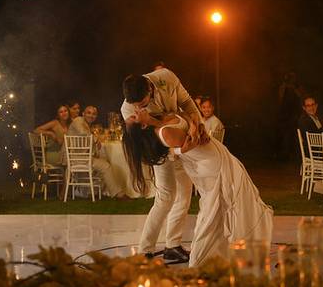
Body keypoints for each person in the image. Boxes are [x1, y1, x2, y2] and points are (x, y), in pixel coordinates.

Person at [123, 112, 273, 267]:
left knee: (221, 206)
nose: (134, 112)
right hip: (208, 163)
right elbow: (193, 142)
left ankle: (222, 255)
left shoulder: (161, 117)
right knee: (212, 210)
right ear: (143, 125)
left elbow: (184, 114)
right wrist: (194, 130)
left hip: (216, 153)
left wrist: (194, 123)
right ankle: (200, 260)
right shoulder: (163, 131)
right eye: (133, 117)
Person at [121, 68, 205, 264]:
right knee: (166, 197)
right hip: (158, 151)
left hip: (179, 140)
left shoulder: (166, 77)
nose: (139, 109)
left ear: (150, 89)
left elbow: (186, 102)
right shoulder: (127, 109)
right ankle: (145, 249)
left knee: (184, 195)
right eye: (136, 107)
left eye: (143, 104)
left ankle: (173, 245)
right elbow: (144, 140)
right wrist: (152, 122)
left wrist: (198, 123)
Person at [68, 105, 124, 198]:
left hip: (81, 157)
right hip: (76, 158)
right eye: (89, 113)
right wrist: (96, 139)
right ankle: (118, 194)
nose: (91, 115)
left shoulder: (86, 124)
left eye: (94, 114)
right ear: (83, 114)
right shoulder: (78, 120)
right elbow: (83, 133)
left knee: (104, 159)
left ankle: (98, 191)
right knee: (106, 166)